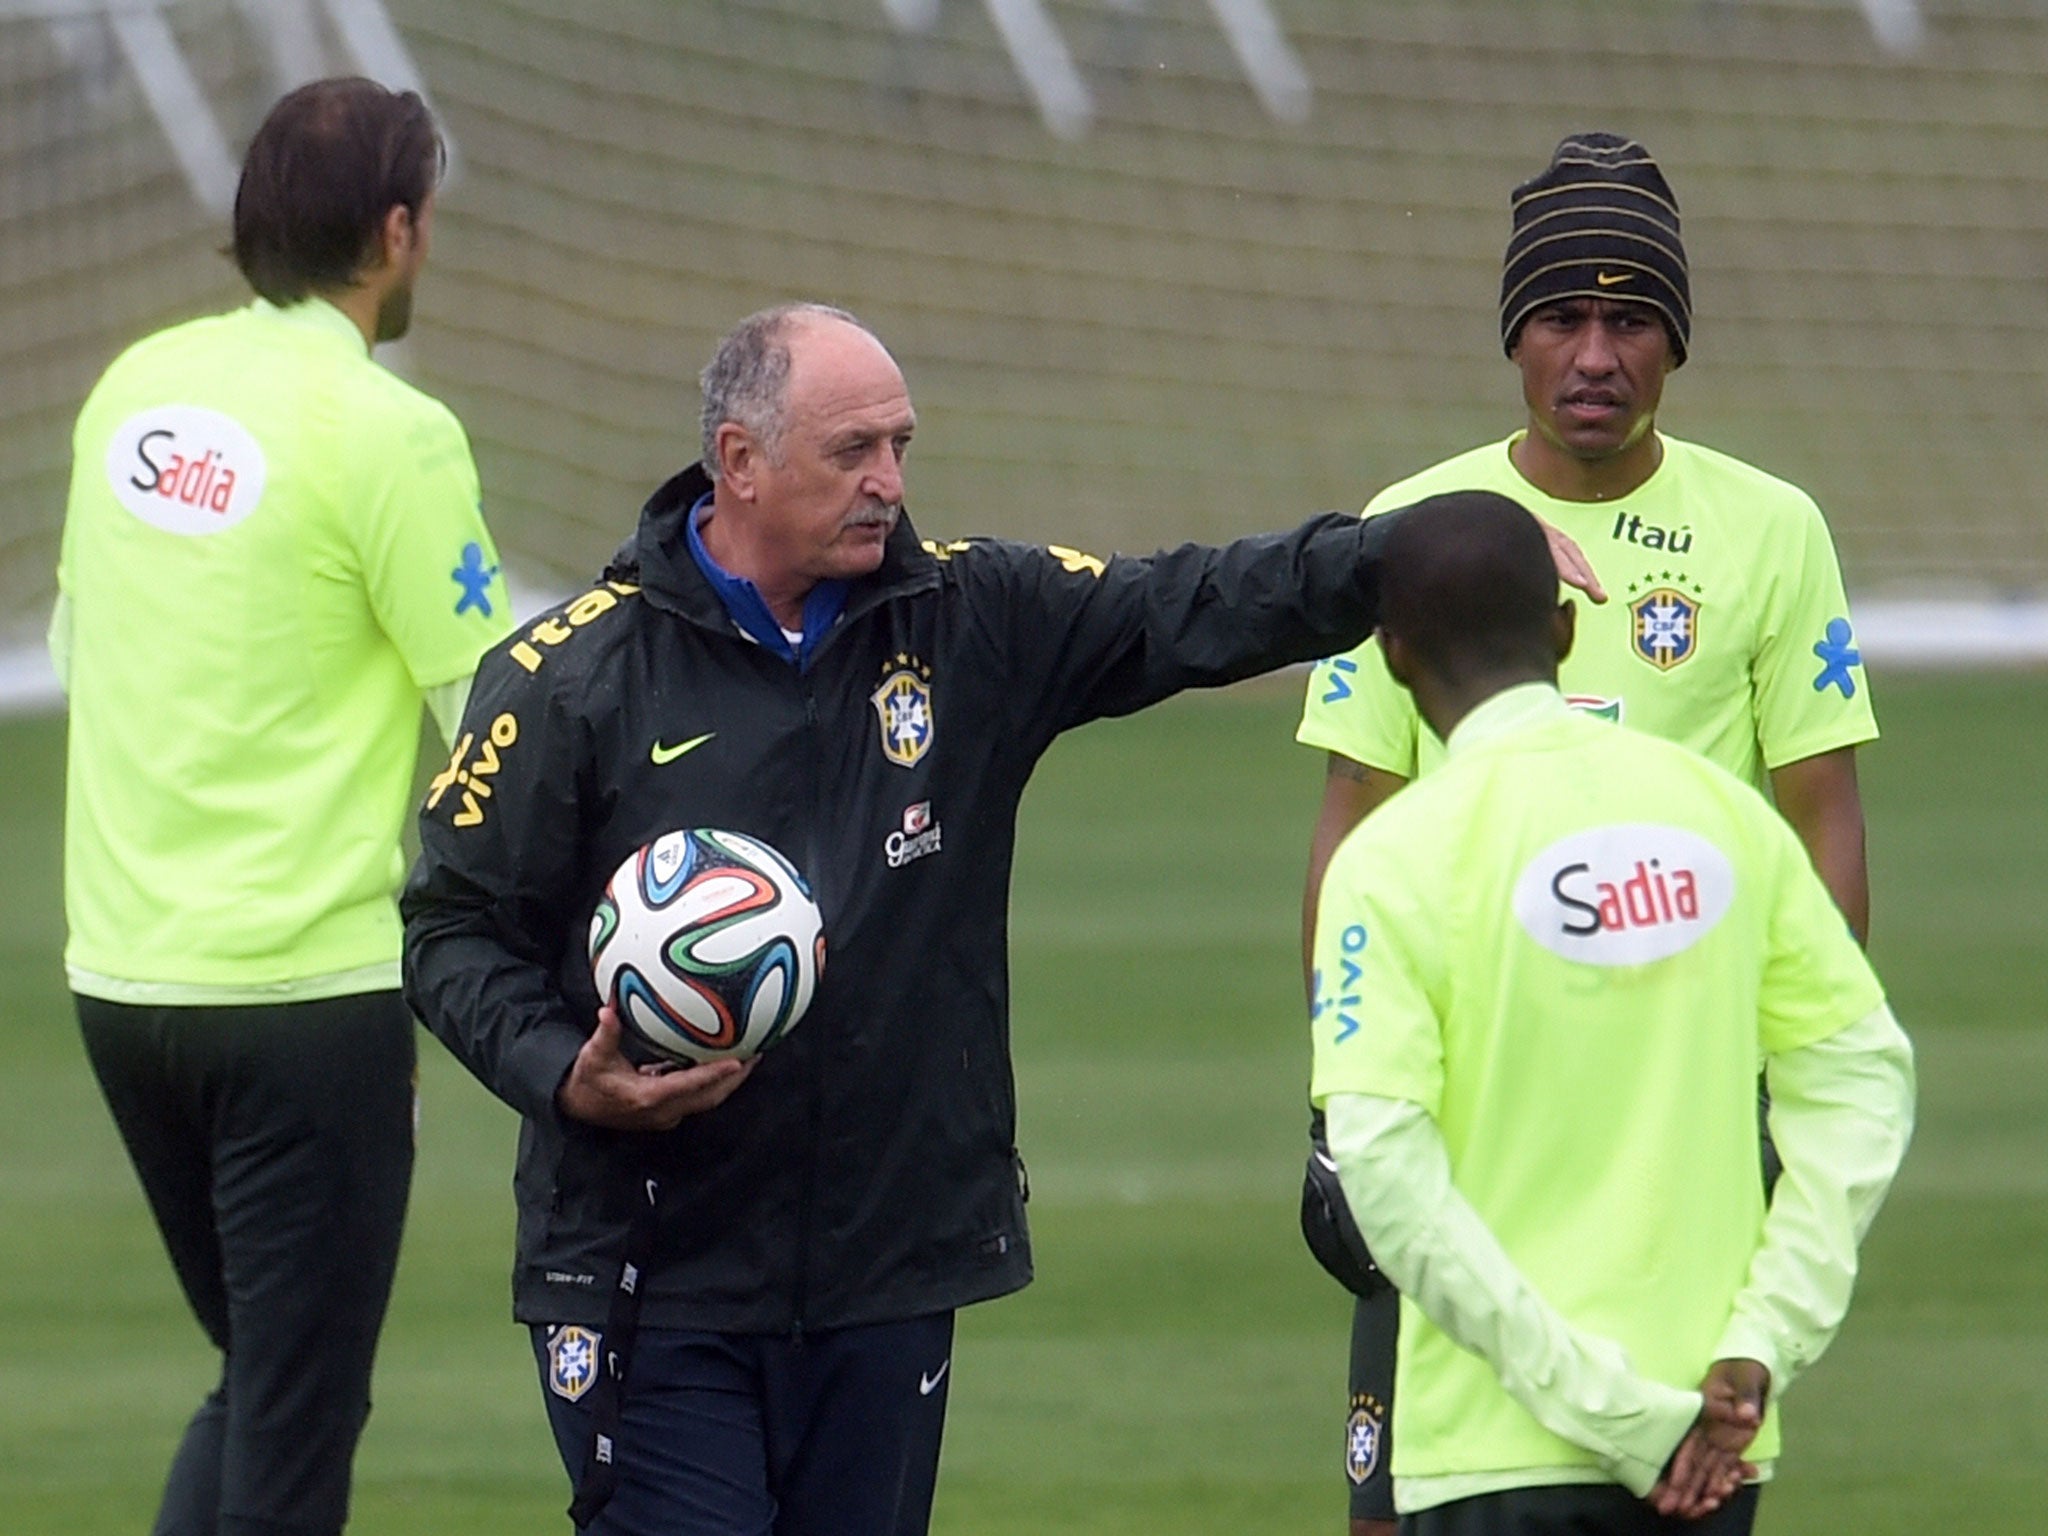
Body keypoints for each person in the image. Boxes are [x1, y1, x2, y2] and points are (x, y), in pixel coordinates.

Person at [399, 301, 1605, 1536]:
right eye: (851, 452)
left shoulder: (968, 619)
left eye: (900, 446)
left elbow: (1188, 603)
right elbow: (448, 929)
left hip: (888, 1271)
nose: (888, 483)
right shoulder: (570, 679)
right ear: (738, 462)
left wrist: (1396, 552)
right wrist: (564, 1075)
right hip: (648, 1280)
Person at [1294, 131, 1880, 1536]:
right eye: (1563, 317)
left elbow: (1826, 825)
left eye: (1633, 319)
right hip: (1473, 1075)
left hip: (1671, 1085)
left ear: (1678, 341)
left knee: (1677, 1468)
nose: (1597, 354)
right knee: (1399, 1494)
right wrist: (1340, 1094)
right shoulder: (1413, 528)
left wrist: (1777, 1059)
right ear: (1516, 337)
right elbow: (1352, 818)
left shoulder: (1772, 531)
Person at [51, 77, 510, 1536]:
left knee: (260, 1380)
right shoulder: (391, 432)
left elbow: (83, 650)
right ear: (395, 230)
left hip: (122, 987)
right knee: (297, 1424)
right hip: (304, 1006)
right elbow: (496, 709)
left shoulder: (133, 392)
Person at [1309, 489, 1914, 1535]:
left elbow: (1385, 1177)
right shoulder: (1722, 815)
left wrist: (1613, 1414)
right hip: (1713, 1437)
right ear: (1563, 623)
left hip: (1494, 1450)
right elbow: (1859, 1078)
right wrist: (1763, 1338)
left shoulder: (1389, 863)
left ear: (1393, 655)